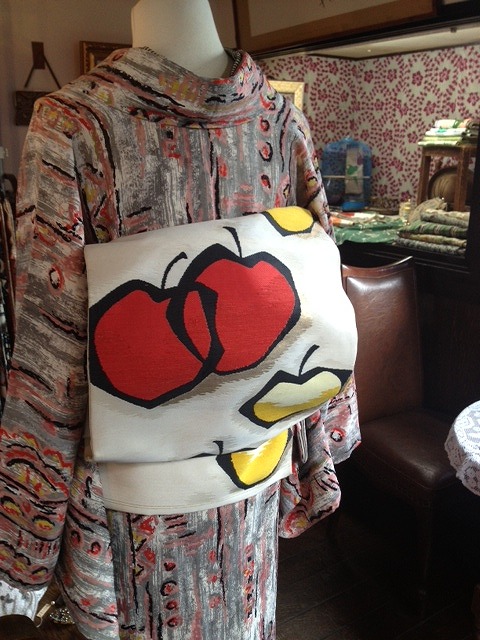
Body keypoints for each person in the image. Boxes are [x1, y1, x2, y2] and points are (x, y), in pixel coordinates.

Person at [0, 1, 360, 638]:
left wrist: (23, 541)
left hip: (136, 518)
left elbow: (49, 354)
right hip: (246, 470)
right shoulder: (280, 122)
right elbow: (318, 302)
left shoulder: (76, 124)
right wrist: (321, 440)